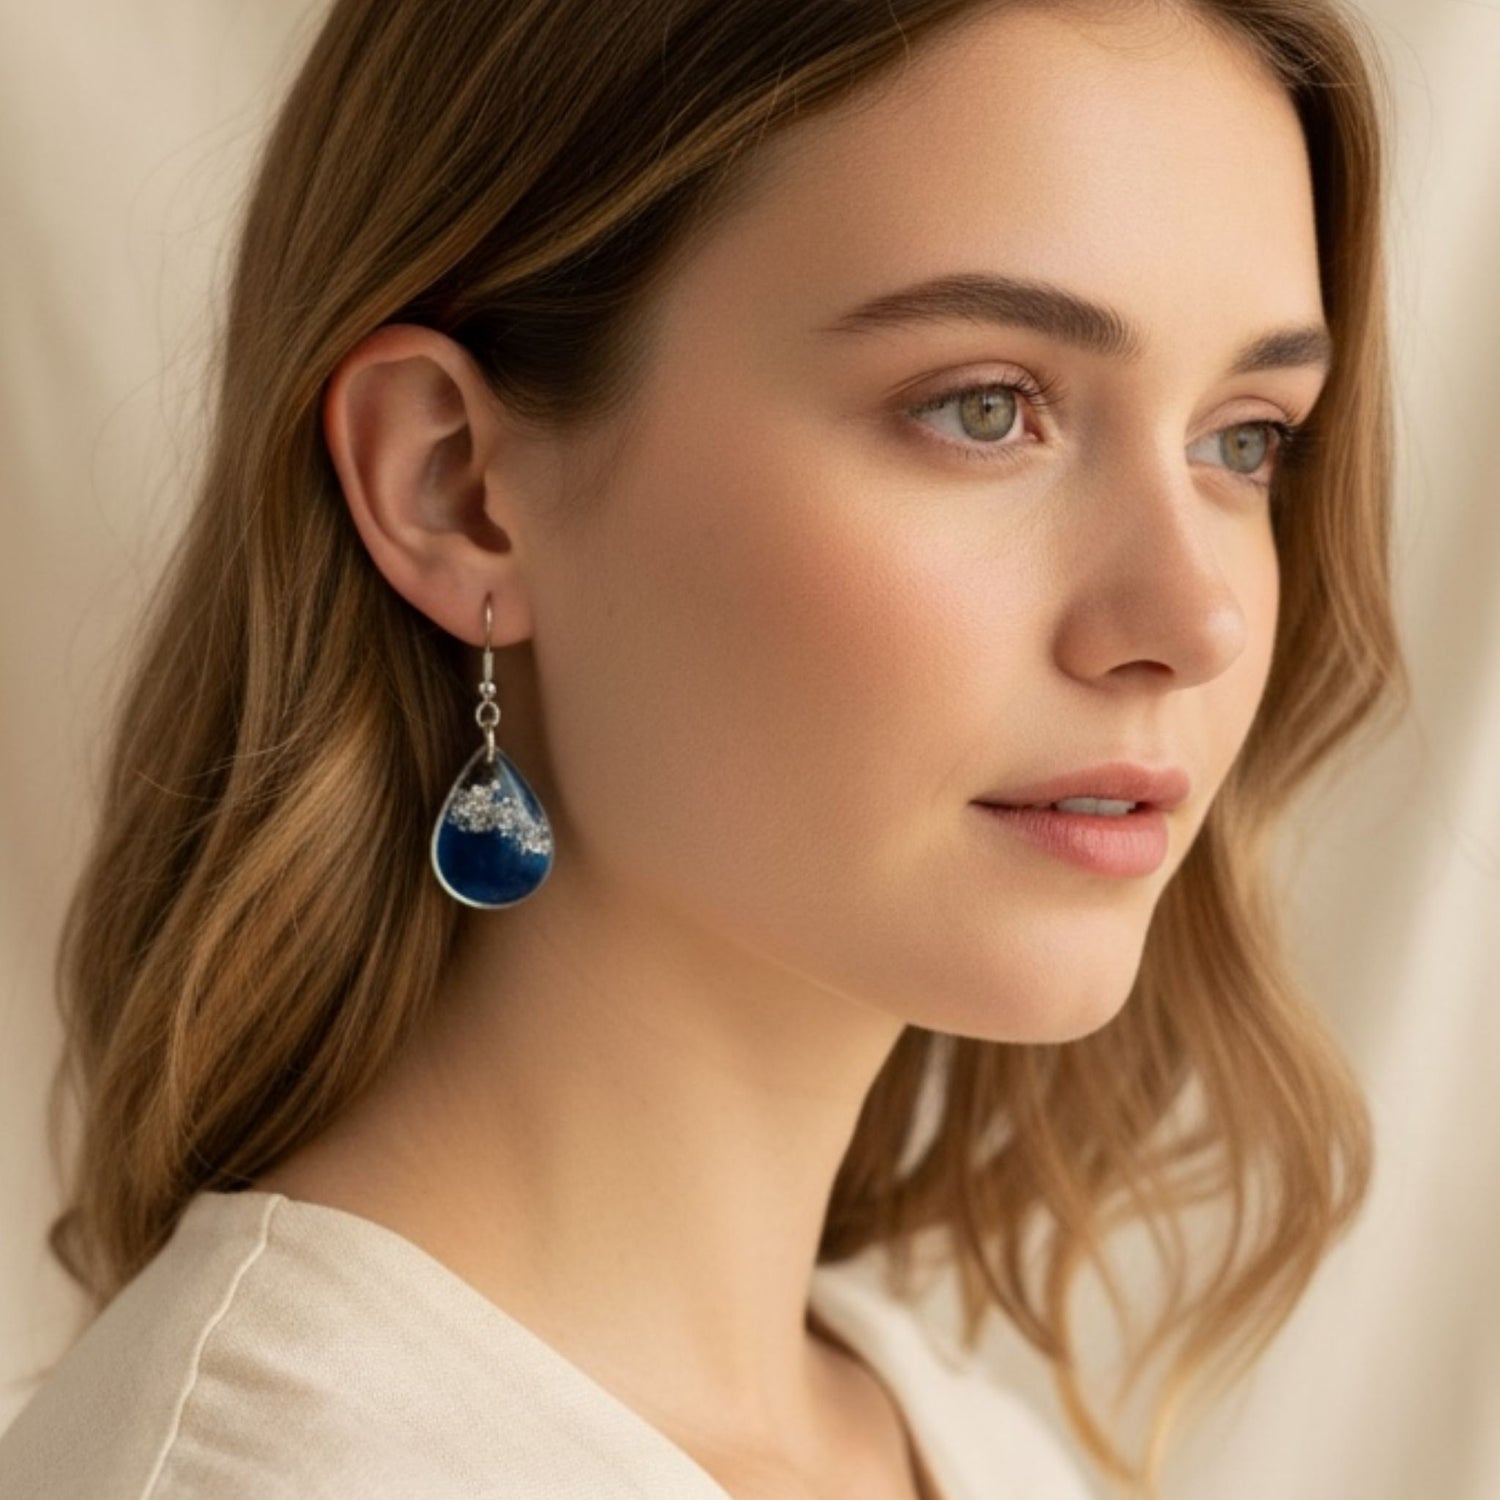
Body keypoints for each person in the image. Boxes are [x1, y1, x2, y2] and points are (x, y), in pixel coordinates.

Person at [0, 0, 1410, 1496]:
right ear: (457, 486)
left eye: (1243, 437)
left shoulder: (966, 1446)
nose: (1192, 615)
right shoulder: (259, 1468)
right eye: (985, 408)